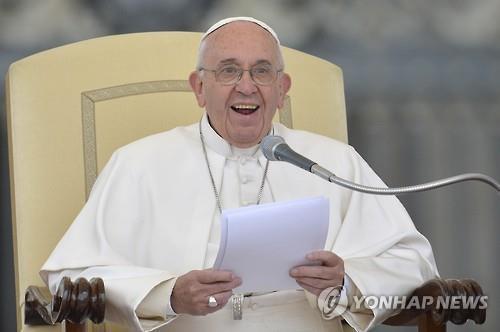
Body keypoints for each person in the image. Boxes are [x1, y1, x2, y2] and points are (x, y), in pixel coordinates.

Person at [41, 17, 439, 332]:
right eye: (228, 71)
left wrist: (348, 281)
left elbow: (412, 261)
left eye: (262, 72)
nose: (246, 87)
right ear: (199, 88)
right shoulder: (138, 164)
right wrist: (166, 295)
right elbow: (70, 277)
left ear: (282, 89)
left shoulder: (335, 162)